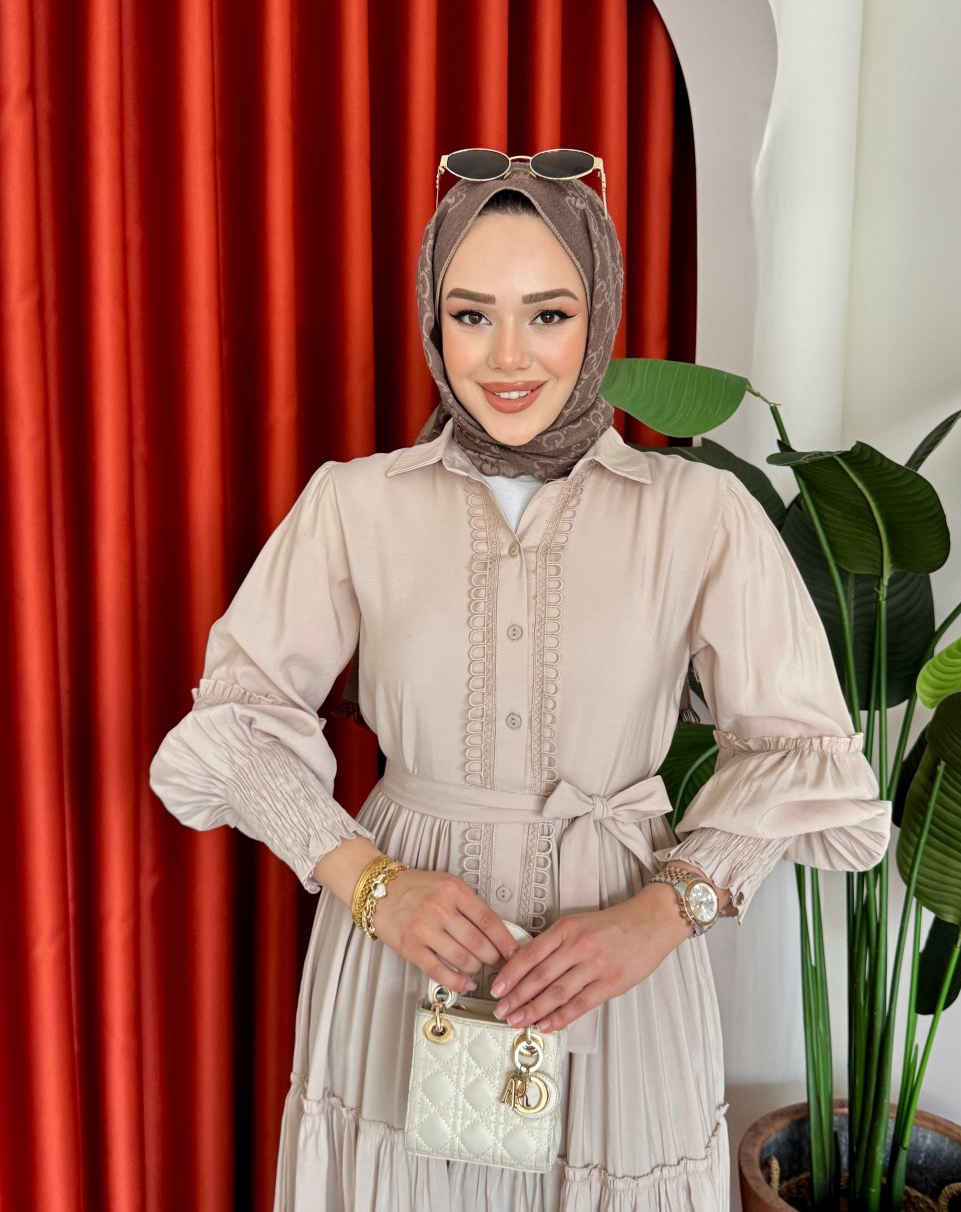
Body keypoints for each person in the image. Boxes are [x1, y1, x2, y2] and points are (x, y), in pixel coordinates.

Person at [149, 159, 891, 1211]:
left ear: (599, 314)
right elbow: (234, 721)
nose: (507, 356)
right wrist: (369, 882)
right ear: (432, 321)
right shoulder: (354, 505)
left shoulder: (698, 512)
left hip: (619, 970)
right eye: (471, 314)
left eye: (548, 313)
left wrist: (664, 912)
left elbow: (800, 753)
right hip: (399, 956)